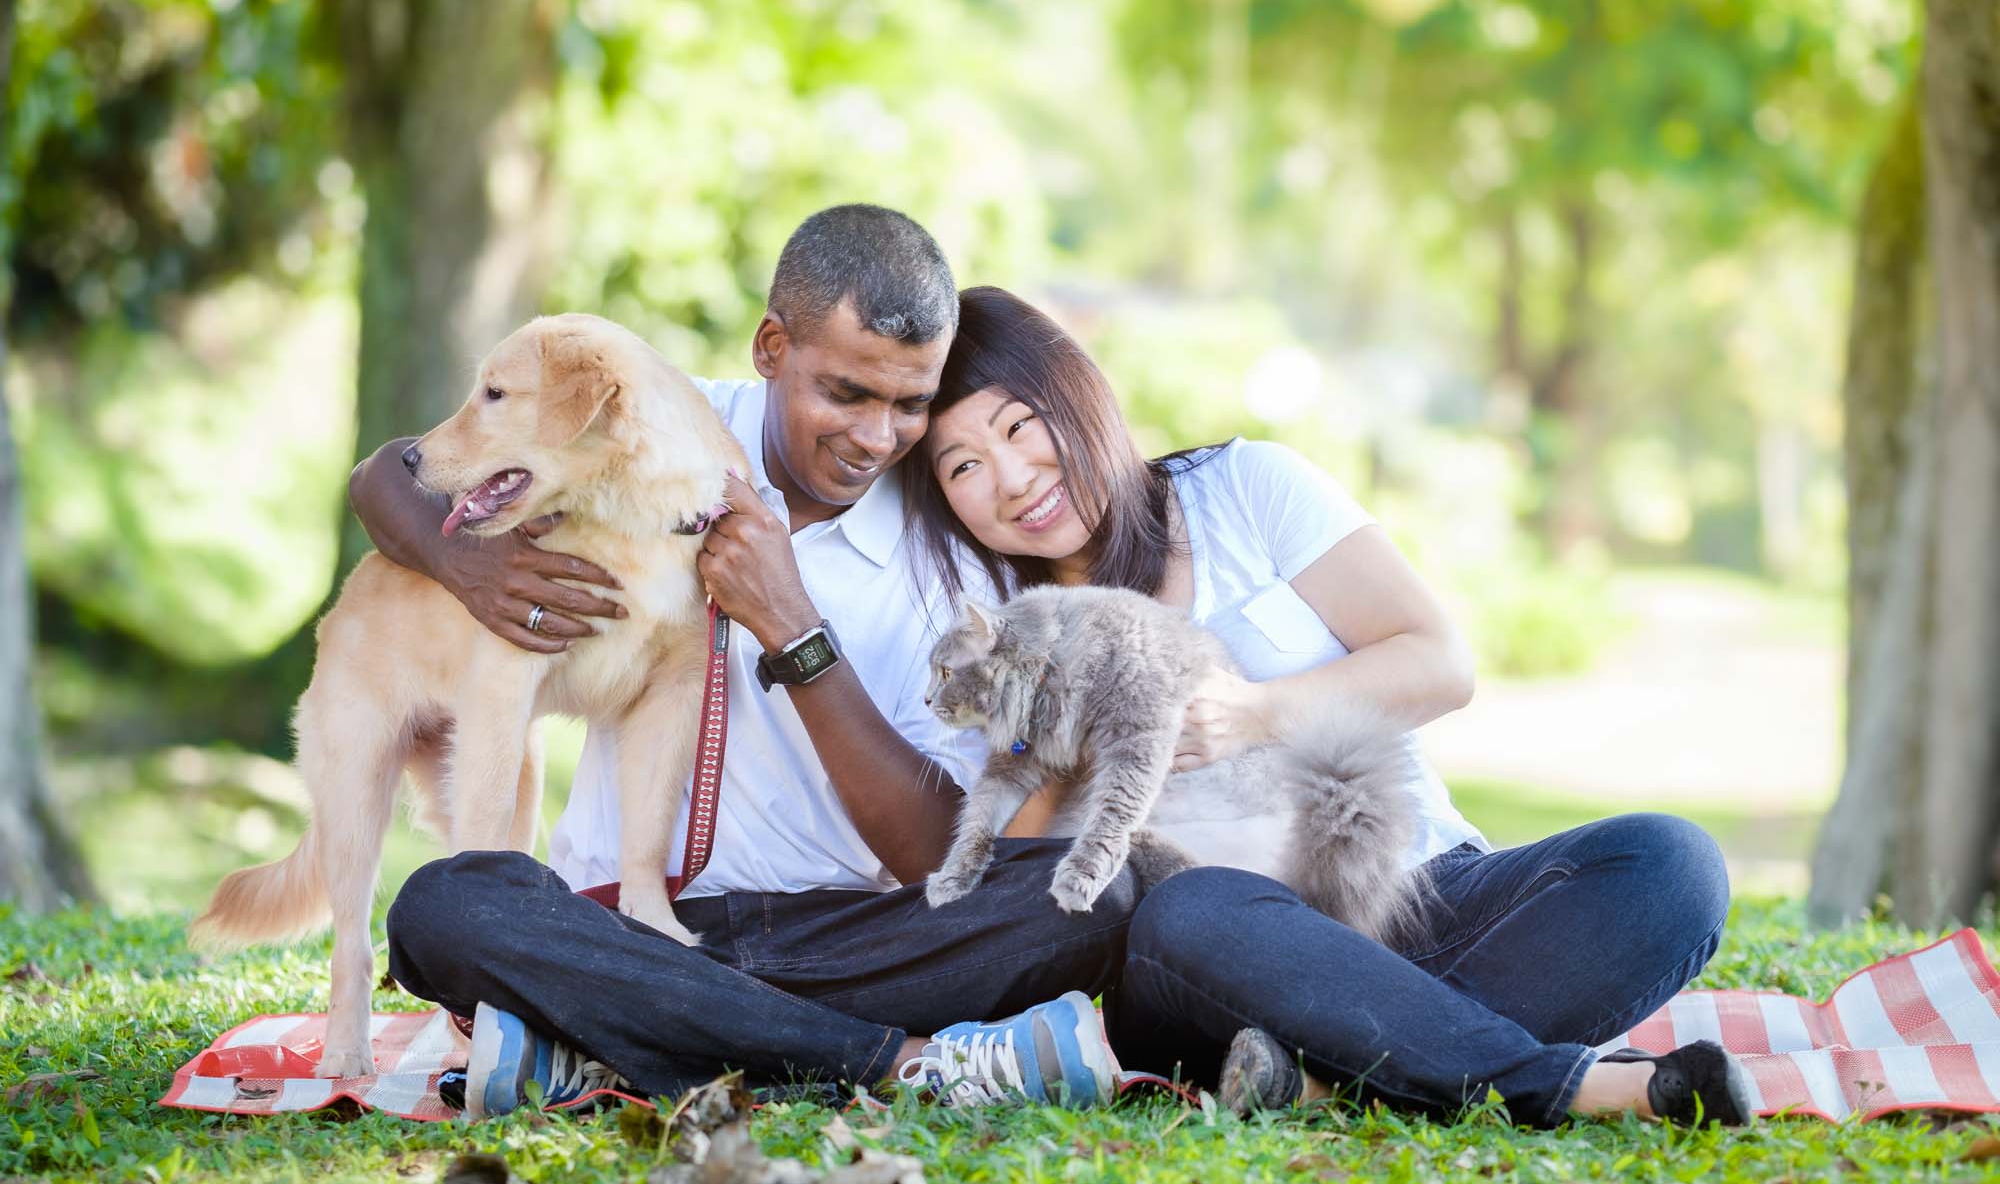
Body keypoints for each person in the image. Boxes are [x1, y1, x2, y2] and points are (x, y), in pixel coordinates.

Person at [903, 285, 1753, 1128]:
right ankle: (1551, 1083)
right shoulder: (990, 625)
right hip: (1227, 955)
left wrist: (1254, 711)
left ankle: (1333, 1077)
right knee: (1189, 910)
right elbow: (1022, 894)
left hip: (1415, 891)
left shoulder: (1243, 488)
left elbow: (1438, 662)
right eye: (965, 465)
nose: (1013, 479)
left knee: (1670, 864)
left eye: (1018, 426)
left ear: (1076, 393)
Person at [349, 207, 1128, 1119]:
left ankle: (606, 1045)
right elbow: (383, 476)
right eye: (845, 393)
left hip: (846, 943)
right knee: (446, 906)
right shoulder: (650, 419)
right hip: (614, 925)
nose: (877, 437)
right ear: (770, 347)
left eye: (910, 404)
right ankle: (902, 1062)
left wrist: (795, 631)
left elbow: (936, 856)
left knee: (1095, 889)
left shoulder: (952, 564)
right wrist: (474, 568)